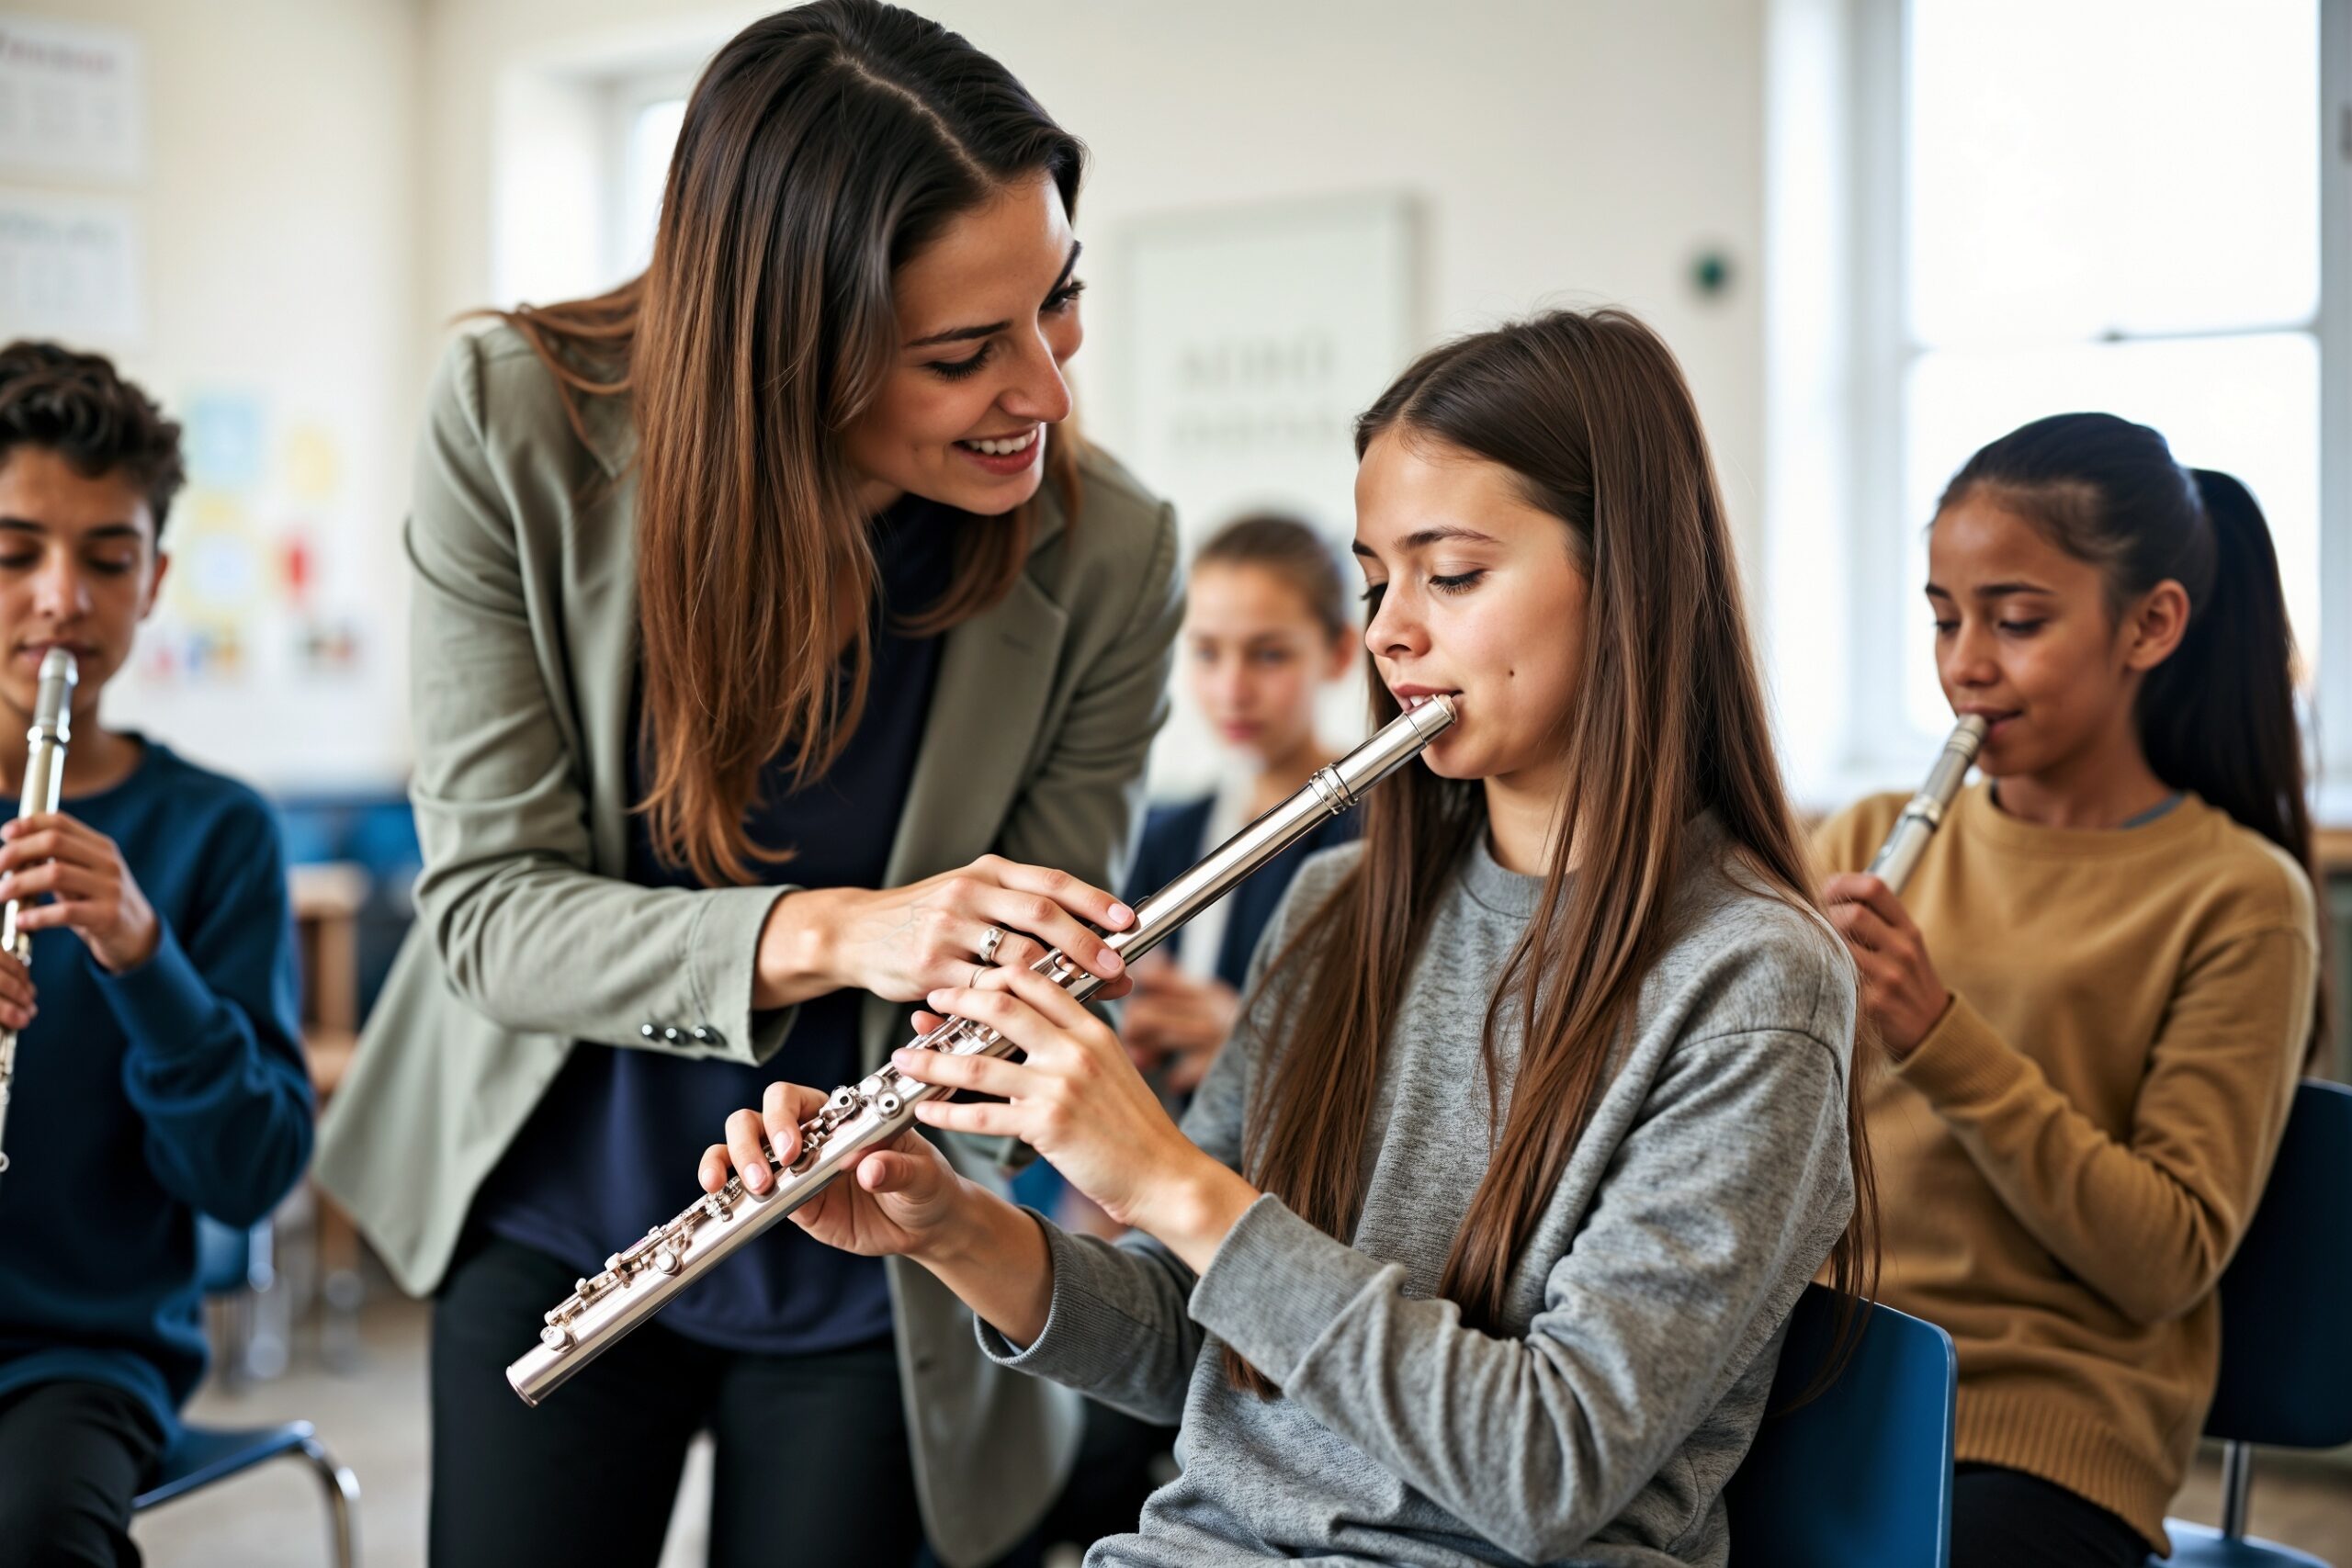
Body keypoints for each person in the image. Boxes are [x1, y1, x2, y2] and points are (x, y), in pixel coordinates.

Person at [702, 308, 1873, 1567]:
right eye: (1379, 579)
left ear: (1630, 574)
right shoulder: (1334, 910)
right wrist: (949, 1226)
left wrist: (1164, 1175)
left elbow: (1548, 1463)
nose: (1388, 633)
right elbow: (1196, 1347)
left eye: (1454, 574)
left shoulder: (1753, 982)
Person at [311, 6, 1182, 1566]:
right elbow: (491, 923)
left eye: (1059, 307)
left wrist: (998, 1049)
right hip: (550, 1202)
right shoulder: (514, 417)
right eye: (963, 353)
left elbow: (1029, 990)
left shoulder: (1110, 548)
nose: (1042, 394)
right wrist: (854, 932)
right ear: (794, 341)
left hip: (875, 1245)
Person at [1813, 412, 2324, 1568]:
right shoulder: (1855, 838)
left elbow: (2167, 1257)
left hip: (2039, 1440)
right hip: (1810, 1384)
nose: (1964, 665)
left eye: (2017, 621)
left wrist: (1938, 1037)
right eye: (1943, 619)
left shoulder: (2237, 897)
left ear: (2150, 625)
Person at [0, 341, 312, 1568]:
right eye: (15, 552)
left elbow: (252, 1170)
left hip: (77, 1354)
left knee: (34, 1535)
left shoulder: (217, 830)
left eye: (107, 558)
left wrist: (147, 957)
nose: (62, 597)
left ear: (156, 577)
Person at [1119, 513, 1358, 1099]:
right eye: (1206, 653)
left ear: (1340, 653)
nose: (1232, 690)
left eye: (1269, 655)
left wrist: (1255, 1042)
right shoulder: (1161, 839)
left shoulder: (1386, 831)